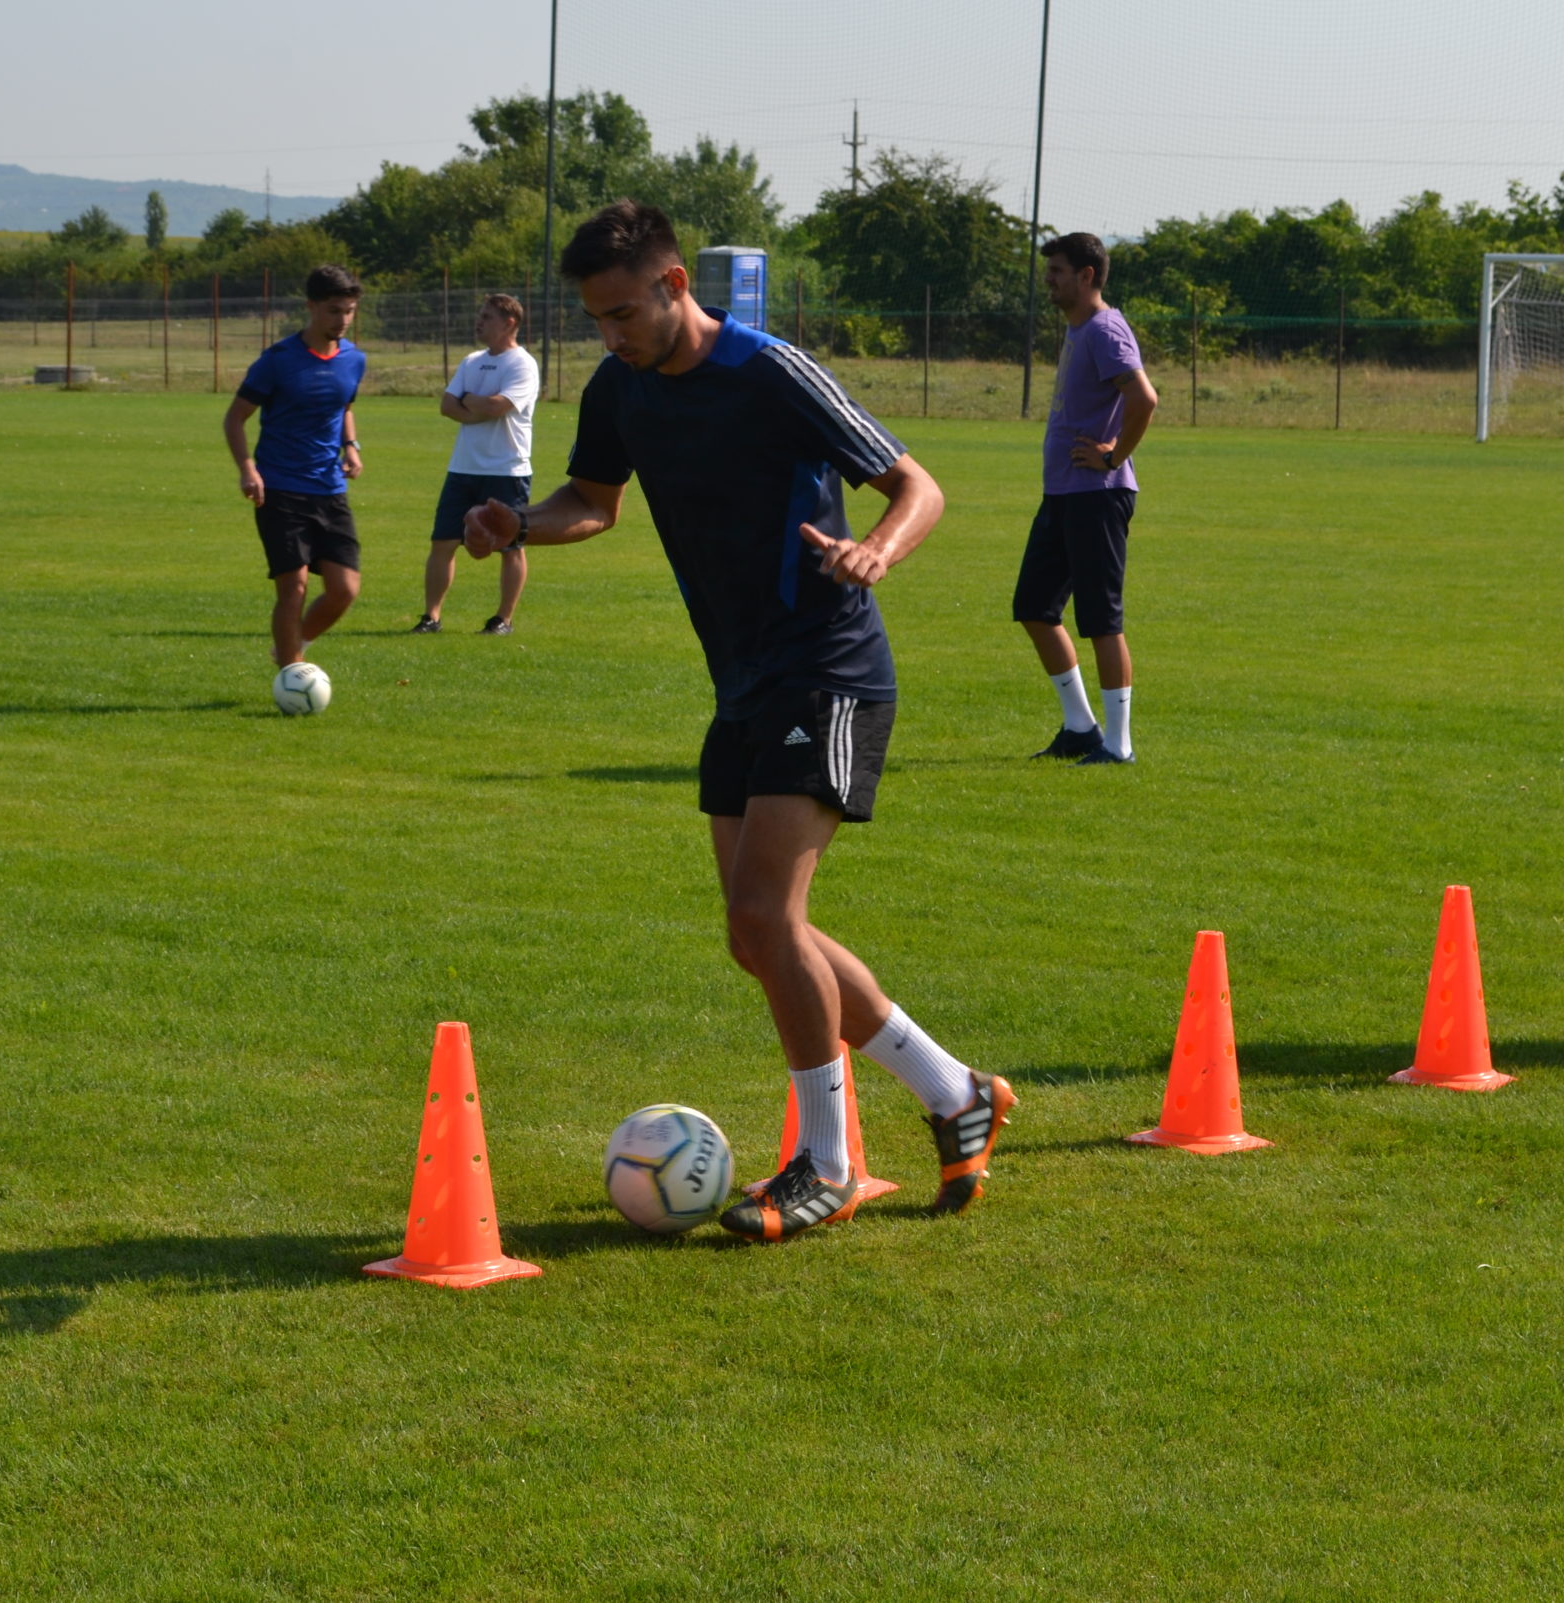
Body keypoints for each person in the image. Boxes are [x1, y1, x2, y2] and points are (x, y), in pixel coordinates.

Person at [465, 200, 1013, 1241]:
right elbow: (595, 500)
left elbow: (916, 485)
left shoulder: (770, 371)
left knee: (767, 916)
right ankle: (956, 1092)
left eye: (624, 312)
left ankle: (827, 1165)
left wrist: (876, 550)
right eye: (596, 318)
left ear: (675, 285)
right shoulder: (620, 387)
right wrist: (519, 522)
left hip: (831, 667)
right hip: (745, 682)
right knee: (754, 935)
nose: (611, 335)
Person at [1015, 231, 1161, 765]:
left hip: (1097, 496)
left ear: (1087, 275)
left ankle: (1118, 745)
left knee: (1101, 619)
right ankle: (1080, 727)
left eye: (1057, 271)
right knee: (1034, 607)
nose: (1049, 280)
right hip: (1063, 493)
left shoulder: (1104, 329)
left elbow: (1144, 398)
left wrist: (1114, 456)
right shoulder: (1080, 328)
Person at [224, 264, 366, 670]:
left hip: (330, 488)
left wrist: (351, 446)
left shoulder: (354, 359)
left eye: (349, 311)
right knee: (294, 587)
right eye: (334, 310)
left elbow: (343, 406)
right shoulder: (277, 360)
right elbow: (235, 418)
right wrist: (248, 469)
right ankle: (291, 673)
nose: (343, 320)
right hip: (280, 489)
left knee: (345, 589)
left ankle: (291, 645)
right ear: (311, 307)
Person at [418, 293, 540, 635]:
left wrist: (470, 401)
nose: (479, 322)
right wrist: (478, 408)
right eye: (480, 315)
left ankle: (503, 620)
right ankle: (431, 617)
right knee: (443, 542)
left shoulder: (522, 364)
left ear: (509, 323)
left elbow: (497, 406)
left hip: (506, 471)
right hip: (463, 468)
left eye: (487, 317)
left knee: (511, 547)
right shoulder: (472, 361)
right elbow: (446, 405)